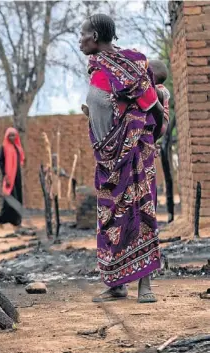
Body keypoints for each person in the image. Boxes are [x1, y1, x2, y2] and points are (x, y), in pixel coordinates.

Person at [79, 14, 166, 303]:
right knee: (110, 220)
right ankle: (117, 284)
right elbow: (107, 109)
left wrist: (150, 133)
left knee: (141, 213)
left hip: (134, 157)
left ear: (95, 36)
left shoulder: (131, 66)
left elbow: (151, 104)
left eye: (83, 34)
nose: (80, 40)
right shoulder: (95, 70)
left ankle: (146, 284)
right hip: (107, 161)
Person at [0, 127, 25, 229]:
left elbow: (20, 160)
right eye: (10, 135)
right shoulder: (4, 147)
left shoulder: (17, 147)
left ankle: (16, 222)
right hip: (9, 177)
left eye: (14, 135)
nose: (12, 137)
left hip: (17, 176)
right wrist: (6, 176)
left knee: (18, 199)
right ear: (7, 137)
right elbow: (1, 162)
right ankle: (0, 220)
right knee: (10, 199)